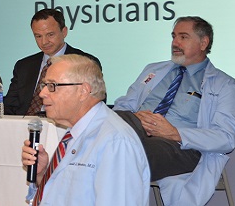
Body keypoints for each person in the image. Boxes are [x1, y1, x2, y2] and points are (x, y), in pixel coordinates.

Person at [113, 16, 235, 206]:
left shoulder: (227, 86)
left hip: (180, 147)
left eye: (183, 37)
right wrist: (136, 118)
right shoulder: (153, 70)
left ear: (203, 42)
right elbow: (123, 106)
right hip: (134, 133)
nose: (175, 42)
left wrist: (175, 133)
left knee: (125, 154)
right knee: (106, 120)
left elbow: (227, 137)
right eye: (174, 36)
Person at [20, 54, 150, 205]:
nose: (42, 94)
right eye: (44, 86)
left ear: (83, 91)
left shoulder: (115, 142)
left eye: (52, 86)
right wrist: (43, 176)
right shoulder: (75, 132)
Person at [4, 8, 101, 115]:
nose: (44, 42)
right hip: (24, 126)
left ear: (64, 32)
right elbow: (9, 105)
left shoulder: (85, 63)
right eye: (38, 36)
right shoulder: (24, 66)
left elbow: (94, 105)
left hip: (64, 127)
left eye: (50, 35)